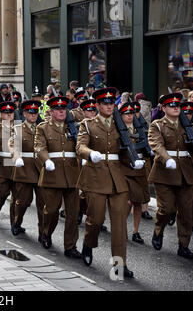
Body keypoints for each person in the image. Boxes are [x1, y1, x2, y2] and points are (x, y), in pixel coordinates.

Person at [76, 87, 137, 278]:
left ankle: (120, 264)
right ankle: (88, 244)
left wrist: (135, 160)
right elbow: (80, 146)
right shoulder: (88, 124)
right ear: (97, 105)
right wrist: (90, 153)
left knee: (119, 224)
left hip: (117, 178)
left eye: (111, 103)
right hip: (95, 176)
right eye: (105, 103)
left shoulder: (120, 125)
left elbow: (125, 150)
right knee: (96, 219)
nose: (109, 106)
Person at [35, 96, 81, 258]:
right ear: (51, 112)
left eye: (63, 109)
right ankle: (46, 233)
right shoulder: (43, 128)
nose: (61, 111)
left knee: (73, 213)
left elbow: (81, 147)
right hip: (52, 174)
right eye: (57, 109)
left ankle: (70, 246)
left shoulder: (74, 127)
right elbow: (39, 147)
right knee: (52, 210)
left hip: (72, 174)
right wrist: (46, 161)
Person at [149, 93, 193, 259]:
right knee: (167, 208)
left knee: (187, 212)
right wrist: (167, 159)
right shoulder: (157, 125)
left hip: (186, 173)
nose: (176, 107)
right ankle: (158, 230)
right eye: (171, 105)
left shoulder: (187, 125)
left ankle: (183, 245)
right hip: (165, 173)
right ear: (164, 108)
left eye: (177, 105)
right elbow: (156, 144)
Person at [9, 100, 44, 237]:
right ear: (24, 114)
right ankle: (17, 222)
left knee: (43, 204)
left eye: (35, 112)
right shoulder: (18, 128)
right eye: (30, 112)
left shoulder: (43, 128)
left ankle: (43, 233)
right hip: (24, 168)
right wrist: (16, 157)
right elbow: (13, 145)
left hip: (41, 168)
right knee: (23, 201)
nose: (34, 115)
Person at [118, 102, 150, 244]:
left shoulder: (140, 129)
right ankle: (121, 227)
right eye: (127, 113)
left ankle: (135, 231)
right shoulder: (118, 130)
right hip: (125, 169)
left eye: (132, 113)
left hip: (140, 169)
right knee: (128, 202)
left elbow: (146, 147)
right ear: (121, 116)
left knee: (138, 202)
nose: (130, 116)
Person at [0, 101, 17, 227]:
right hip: (1, 165)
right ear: (1, 114)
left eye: (11, 112)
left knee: (17, 197)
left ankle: (15, 222)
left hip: (16, 167)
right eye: (6, 113)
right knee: (1, 193)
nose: (9, 115)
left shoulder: (20, 127)